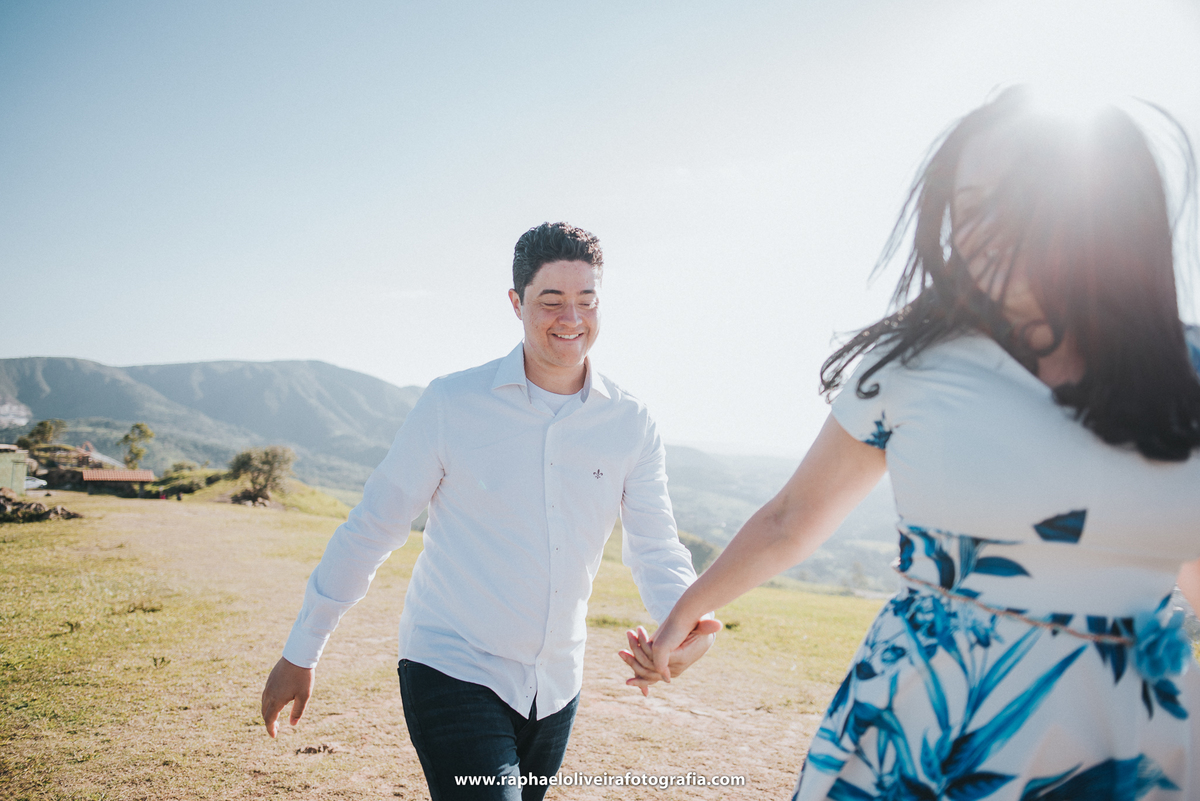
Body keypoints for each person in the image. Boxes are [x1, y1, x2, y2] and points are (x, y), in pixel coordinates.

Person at [635, 87, 1200, 799]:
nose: (989, 229)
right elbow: (791, 519)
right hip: (920, 726)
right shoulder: (909, 365)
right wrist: (682, 616)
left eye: (1023, 198)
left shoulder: (1190, 373)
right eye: (971, 205)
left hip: (1130, 739)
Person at [260, 222, 719, 800]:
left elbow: (656, 546)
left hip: (556, 686)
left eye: (586, 300)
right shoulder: (452, 404)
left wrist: (682, 629)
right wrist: (303, 649)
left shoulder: (631, 423)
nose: (571, 318)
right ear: (516, 303)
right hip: (451, 666)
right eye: (551, 301)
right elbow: (375, 525)